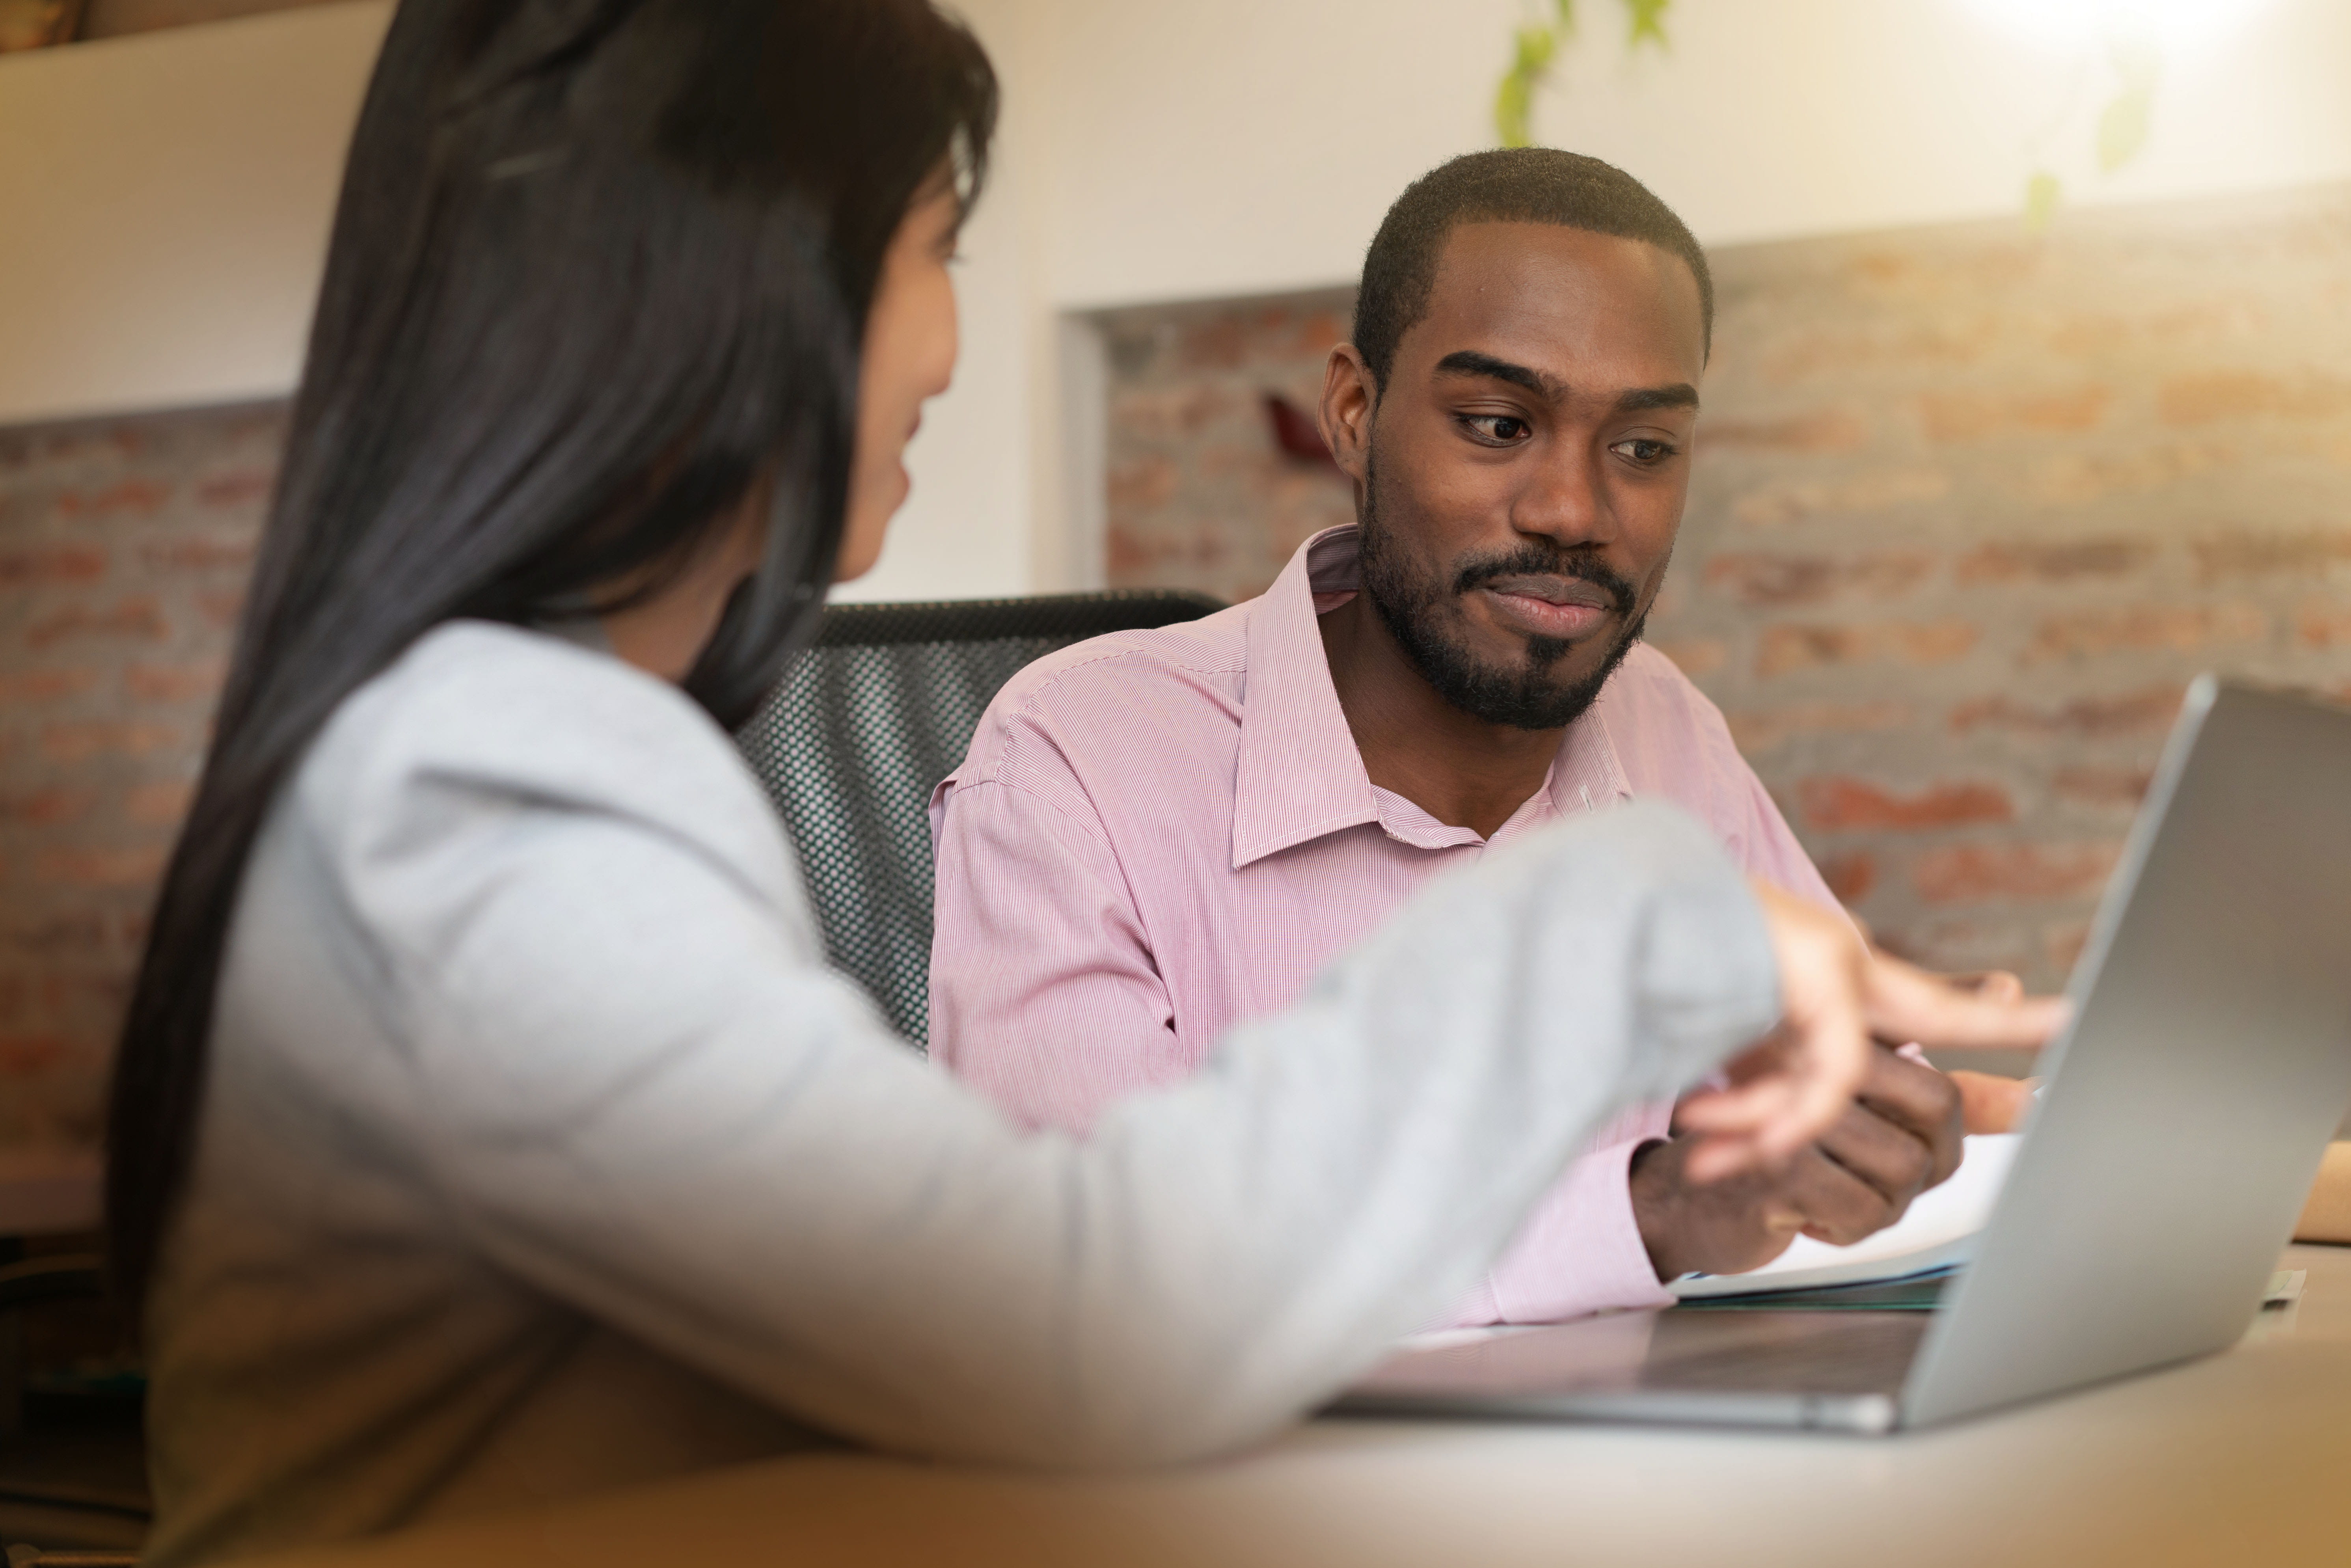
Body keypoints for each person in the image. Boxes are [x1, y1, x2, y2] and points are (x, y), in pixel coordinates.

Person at [103, 5, 2060, 1564]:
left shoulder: (523, 753)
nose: (949, 345)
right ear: (729, 290)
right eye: (932, 251)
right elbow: (1066, 1327)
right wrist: (1639, 904)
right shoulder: (484, 788)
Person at [929, 149, 2031, 1322]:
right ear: (1354, 413)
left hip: (1669, 1475)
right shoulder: (1069, 763)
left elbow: (1814, 1109)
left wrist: (1920, 1123)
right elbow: (1097, 1288)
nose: (1571, 511)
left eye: (1644, 449)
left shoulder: (1660, 728)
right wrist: (1655, 1212)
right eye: (1499, 424)